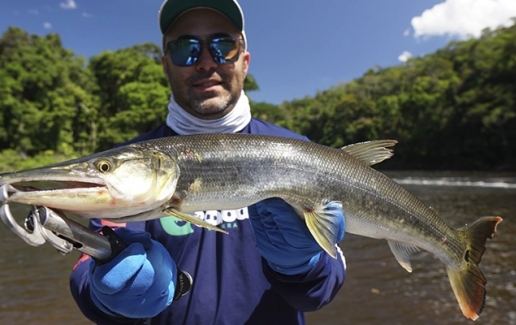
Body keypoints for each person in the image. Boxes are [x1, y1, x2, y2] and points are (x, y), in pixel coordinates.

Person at [69, 1, 347, 324]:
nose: (204, 61)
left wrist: (306, 266)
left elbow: (322, 290)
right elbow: (87, 270)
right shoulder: (126, 163)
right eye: (186, 48)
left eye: (222, 46)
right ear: (165, 64)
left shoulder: (300, 154)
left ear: (244, 61)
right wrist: (109, 298)